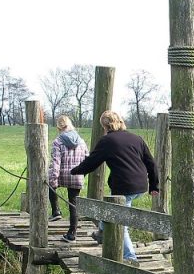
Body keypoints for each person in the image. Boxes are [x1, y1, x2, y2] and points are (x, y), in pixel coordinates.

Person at [70, 110, 159, 262]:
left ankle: (130, 258)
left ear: (105, 126)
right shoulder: (136, 138)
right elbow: (151, 163)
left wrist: (75, 171)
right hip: (141, 185)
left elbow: (92, 162)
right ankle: (103, 232)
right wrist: (154, 185)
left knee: (120, 222)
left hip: (124, 187)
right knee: (110, 211)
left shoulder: (107, 141)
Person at [48, 115, 88, 242]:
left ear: (59, 127)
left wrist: (53, 180)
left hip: (62, 174)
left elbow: (55, 163)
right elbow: (87, 158)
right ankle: (72, 233)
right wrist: (82, 174)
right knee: (73, 203)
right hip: (77, 175)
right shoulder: (81, 141)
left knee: (50, 184)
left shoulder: (57, 142)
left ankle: (56, 212)